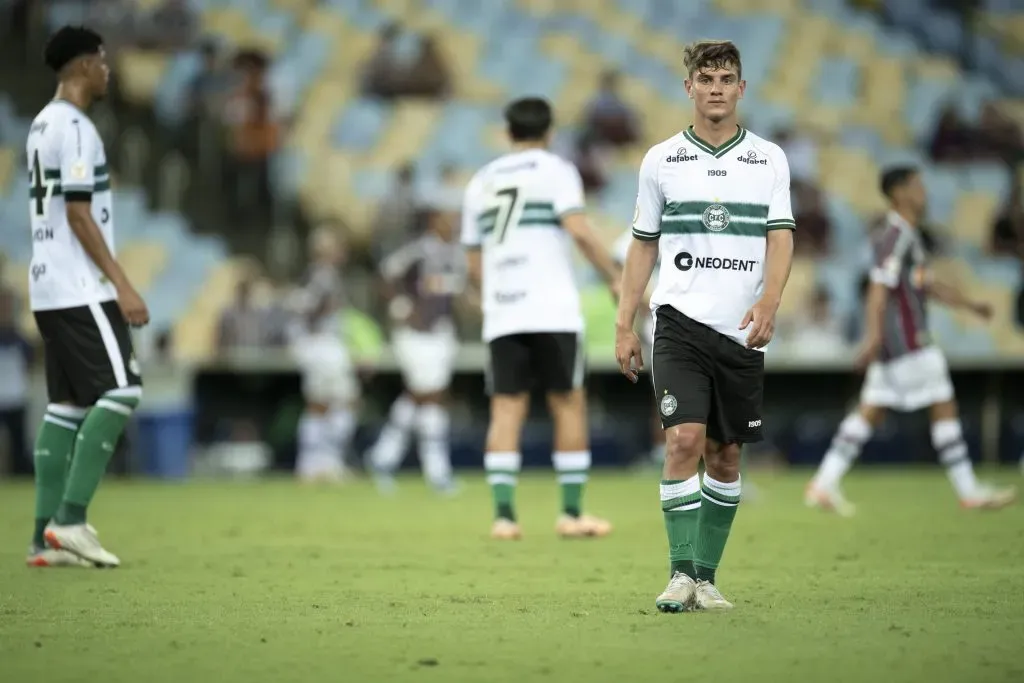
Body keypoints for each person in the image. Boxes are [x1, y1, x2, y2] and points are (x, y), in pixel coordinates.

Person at [615, 40, 795, 612]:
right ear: (688, 87)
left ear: (742, 89)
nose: (715, 87)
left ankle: (706, 578)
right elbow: (643, 247)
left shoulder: (768, 159)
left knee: (725, 456)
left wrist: (770, 300)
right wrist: (625, 324)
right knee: (683, 441)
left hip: (741, 330)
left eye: (726, 79)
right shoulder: (660, 159)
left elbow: (781, 235)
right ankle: (678, 575)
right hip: (679, 323)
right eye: (706, 78)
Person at [806, 166, 1015, 515]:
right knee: (943, 405)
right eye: (917, 185)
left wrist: (968, 304)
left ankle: (823, 483)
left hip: (895, 344)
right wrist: (873, 337)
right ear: (900, 192)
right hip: (908, 342)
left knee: (868, 413)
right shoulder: (893, 236)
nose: (925, 192)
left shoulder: (906, 235)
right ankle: (969, 490)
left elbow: (926, 284)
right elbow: (877, 289)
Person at [461, 96, 620, 540]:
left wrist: (490, 297)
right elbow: (579, 230)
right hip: (551, 307)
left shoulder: (481, 181)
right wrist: (614, 275)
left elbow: (473, 261)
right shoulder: (557, 171)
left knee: (506, 407)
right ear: (549, 132)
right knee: (568, 402)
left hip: (504, 309)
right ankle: (571, 514)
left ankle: (504, 518)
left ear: (507, 131)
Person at [26, 26, 150, 568]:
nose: (108, 69)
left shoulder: (40, 125)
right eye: (101, 60)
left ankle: (42, 539)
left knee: (66, 407)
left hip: (46, 284)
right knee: (123, 392)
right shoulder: (76, 129)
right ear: (80, 67)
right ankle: (71, 520)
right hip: (81, 285)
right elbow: (79, 213)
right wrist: (121, 281)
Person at [367, 207, 465, 494]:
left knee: (419, 397)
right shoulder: (417, 251)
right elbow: (385, 275)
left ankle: (382, 458)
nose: (452, 223)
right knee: (431, 397)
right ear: (433, 222)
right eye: (447, 218)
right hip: (415, 334)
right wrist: (400, 306)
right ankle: (437, 472)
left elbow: (453, 292)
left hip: (440, 332)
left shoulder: (455, 255)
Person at [288, 228, 358, 483]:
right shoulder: (322, 275)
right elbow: (303, 306)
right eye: (338, 247)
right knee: (341, 401)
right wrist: (320, 315)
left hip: (319, 343)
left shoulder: (315, 274)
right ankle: (325, 462)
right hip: (322, 344)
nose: (343, 252)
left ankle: (315, 464)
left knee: (321, 405)